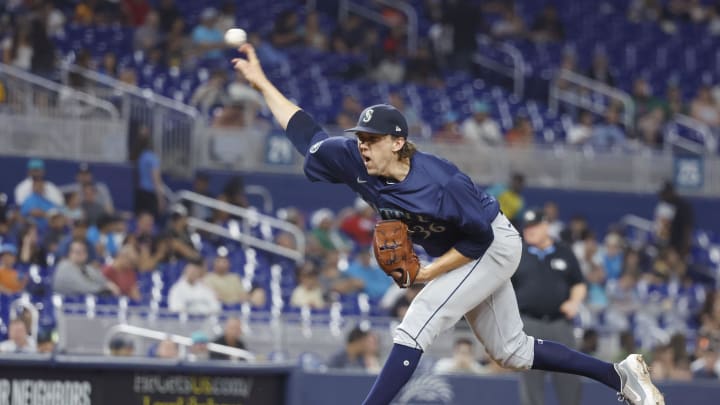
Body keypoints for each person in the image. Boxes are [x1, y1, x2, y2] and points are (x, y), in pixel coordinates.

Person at [231, 43, 664, 405]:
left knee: (419, 318)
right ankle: (619, 375)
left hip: (492, 244)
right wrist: (263, 83)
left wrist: (425, 274)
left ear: (398, 142)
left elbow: (479, 241)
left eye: (372, 140)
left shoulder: (441, 182)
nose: (362, 146)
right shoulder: (351, 157)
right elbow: (304, 130)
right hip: (465, 252)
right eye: (360, 138)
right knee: (511, 351)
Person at [511, 208, 587, 405]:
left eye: (534, 226)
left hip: (560, 324)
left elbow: (578, 283)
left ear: (546, 226)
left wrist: (574, 302)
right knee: (531, 380)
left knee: (569, 378)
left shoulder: (564, 251)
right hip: (529, 324)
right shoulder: (518, 253)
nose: (529, 231)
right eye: (526, 227)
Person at [52, 240, 120, 296]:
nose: (81, 254)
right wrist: (104, 289)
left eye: (83, 251)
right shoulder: (65, 266)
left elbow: (101, 279)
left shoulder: (87, 268)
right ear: (70, 253)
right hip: (65, 304)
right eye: (77, 252)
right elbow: (82, 287)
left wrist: (109, 284)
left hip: (82, 303)